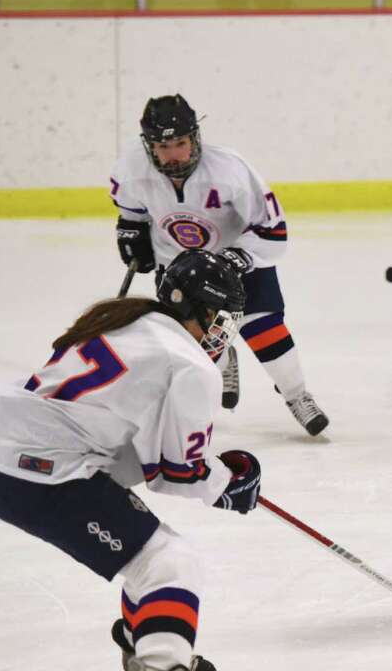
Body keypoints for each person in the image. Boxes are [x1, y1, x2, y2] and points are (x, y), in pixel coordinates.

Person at [0, 249, 263, 671]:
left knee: (148, 554)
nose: (223, 331)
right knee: (169, 562)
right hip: (45, 473)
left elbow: (145, 460)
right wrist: (228, 483)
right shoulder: (190, 363)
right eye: (220, 318)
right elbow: (178, 476)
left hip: (12, 459)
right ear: (198, 309)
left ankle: (148, 637)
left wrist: (215, 473)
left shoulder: (130, 321)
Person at [109, 94, 329, 435]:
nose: (173, 155)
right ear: (148, 146)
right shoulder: (130, 171)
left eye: (180, 143)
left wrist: (237, 257)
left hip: (240, 261)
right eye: (162, 147)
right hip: (177, 266)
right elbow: (131, 212)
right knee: (195, 341)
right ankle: (225, 361)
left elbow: (273, 230)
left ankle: (297, 396)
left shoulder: (230, 171)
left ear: (195, 137)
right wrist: (132, 233)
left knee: (265, 329)